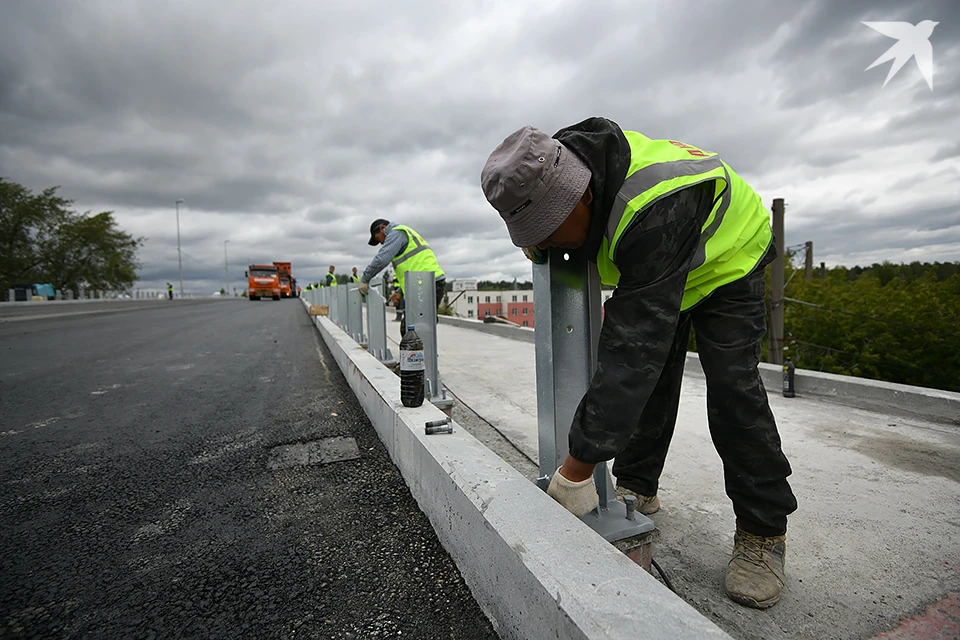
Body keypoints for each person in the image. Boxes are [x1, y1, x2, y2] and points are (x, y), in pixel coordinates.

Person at [480, 118, 797, 610]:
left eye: (550, 228)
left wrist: (576, 470)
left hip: (727, 260)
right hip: (662, 260)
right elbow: (637, 362)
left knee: (733, 388)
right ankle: (638, 485)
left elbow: (630, 355)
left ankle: (762, 531)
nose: (547, 243)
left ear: (580, 196)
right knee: (651, 383)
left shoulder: (652, 208)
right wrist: (540, 235)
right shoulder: (550, 164)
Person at [359, 219, 445, 335]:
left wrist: (365, 278)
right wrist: (400, 291)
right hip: (425, 283)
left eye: (378, 238)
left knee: (414, 328)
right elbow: (412, 265)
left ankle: (422, 352)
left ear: (383, 228)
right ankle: (423, 352)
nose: (381, 243)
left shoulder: (396, 233)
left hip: (426, 284)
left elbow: (382, 259)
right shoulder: (403, 234)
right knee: (418, 326)